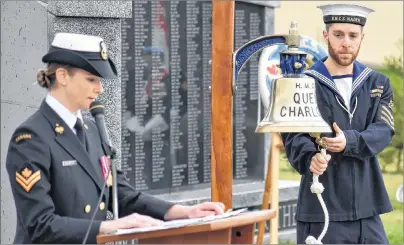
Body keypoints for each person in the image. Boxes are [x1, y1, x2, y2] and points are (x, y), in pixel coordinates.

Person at [5, 32, 224, 244]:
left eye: (99, 80)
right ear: (63, 76)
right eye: (91, 79)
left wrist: (184, 212)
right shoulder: (31, 138)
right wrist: (111, 227)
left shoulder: (91, 129)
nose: (99, 89)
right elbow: (40, 225)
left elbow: (121, 195)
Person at [281, 4, 395, 244]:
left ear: (362, 37)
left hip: (368, 209)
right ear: (326, 35)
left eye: (353, 36)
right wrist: (309, 156)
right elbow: (292, 133)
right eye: (338, 35)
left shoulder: (378, 83)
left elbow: (384, 129)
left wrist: (349, 141)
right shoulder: (303, 82)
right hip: (322, 207)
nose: (346, 43)